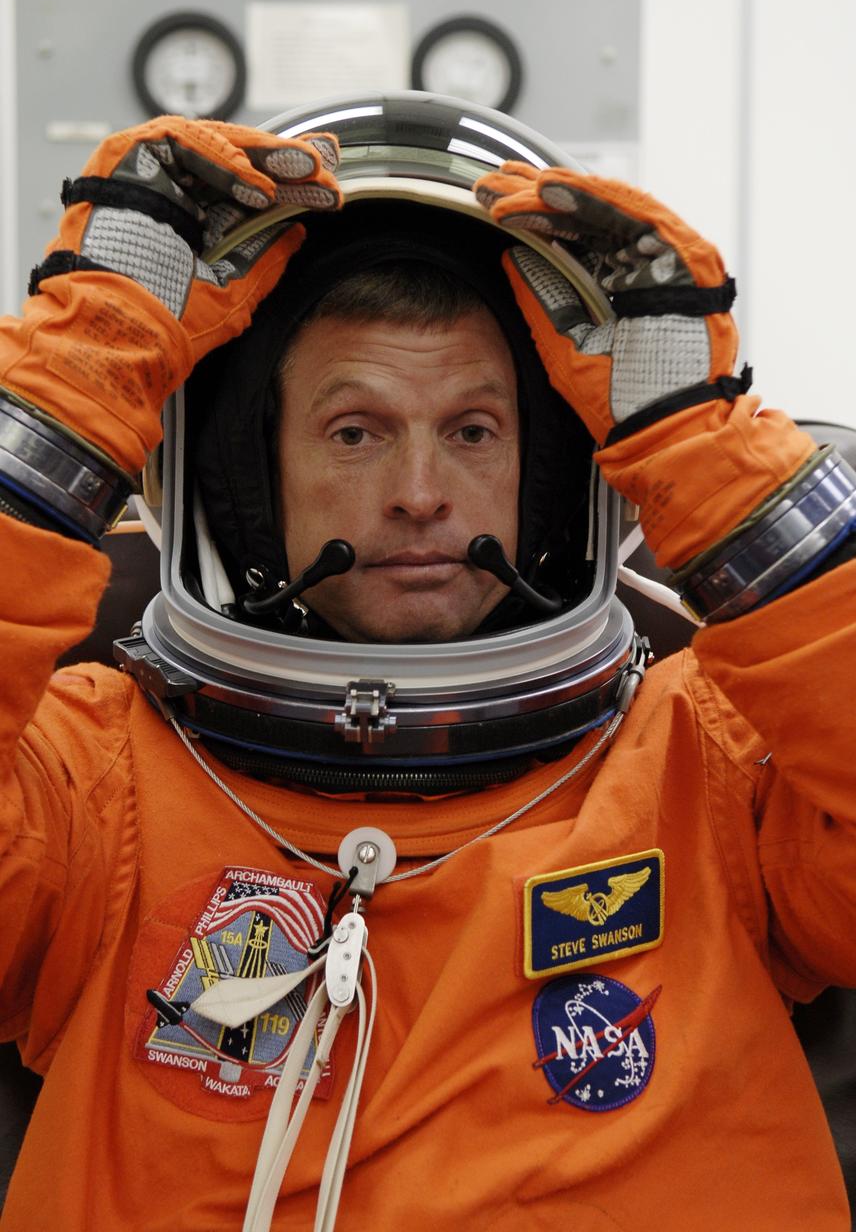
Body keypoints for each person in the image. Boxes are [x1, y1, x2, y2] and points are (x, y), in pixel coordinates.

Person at [0, 94, 854, 1231]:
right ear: (248, 486)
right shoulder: (94, 783)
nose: (418, 491)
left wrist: (704, 447)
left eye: (472, 430)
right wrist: (81, 364)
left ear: (544, 474)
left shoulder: (715, 764)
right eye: (355, 431)